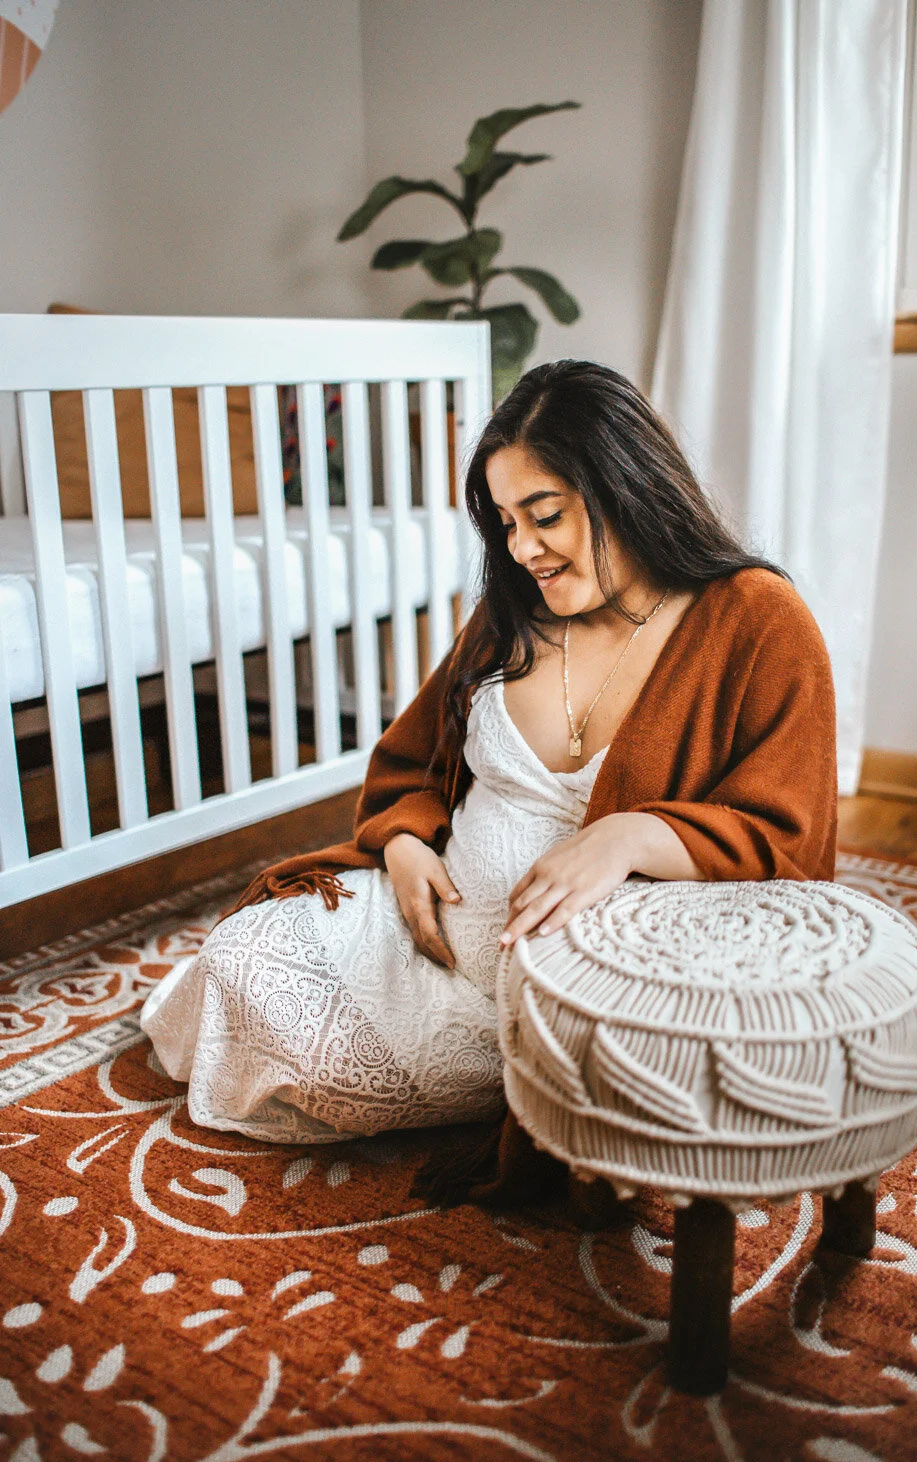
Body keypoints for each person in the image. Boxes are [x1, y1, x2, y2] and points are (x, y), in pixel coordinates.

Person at [140, 361, 838, 1184]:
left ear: (627, 485)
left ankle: (515, 1082)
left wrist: (631, 834)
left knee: (330, 1056)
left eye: (545, 516)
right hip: (414, 933)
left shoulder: (754, 619)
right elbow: (412, 762)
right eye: (506, 522)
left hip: (557, 993)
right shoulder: (513, 614)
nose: (523, 549)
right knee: (237, 958)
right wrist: (403, 847)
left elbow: (792, 841)